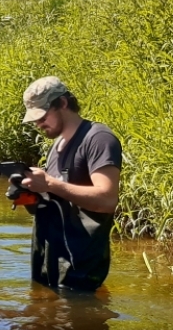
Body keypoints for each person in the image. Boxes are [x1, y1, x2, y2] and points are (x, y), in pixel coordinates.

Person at [19, 77, 122, 291]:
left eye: (43, 116)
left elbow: (107, 199)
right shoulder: (56, 146)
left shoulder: (98, 139)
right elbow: (56, 201)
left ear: (63, 104)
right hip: (51, 263)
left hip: (80, 268)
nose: (38, 124)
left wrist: (49, 183)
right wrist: (29, 196)